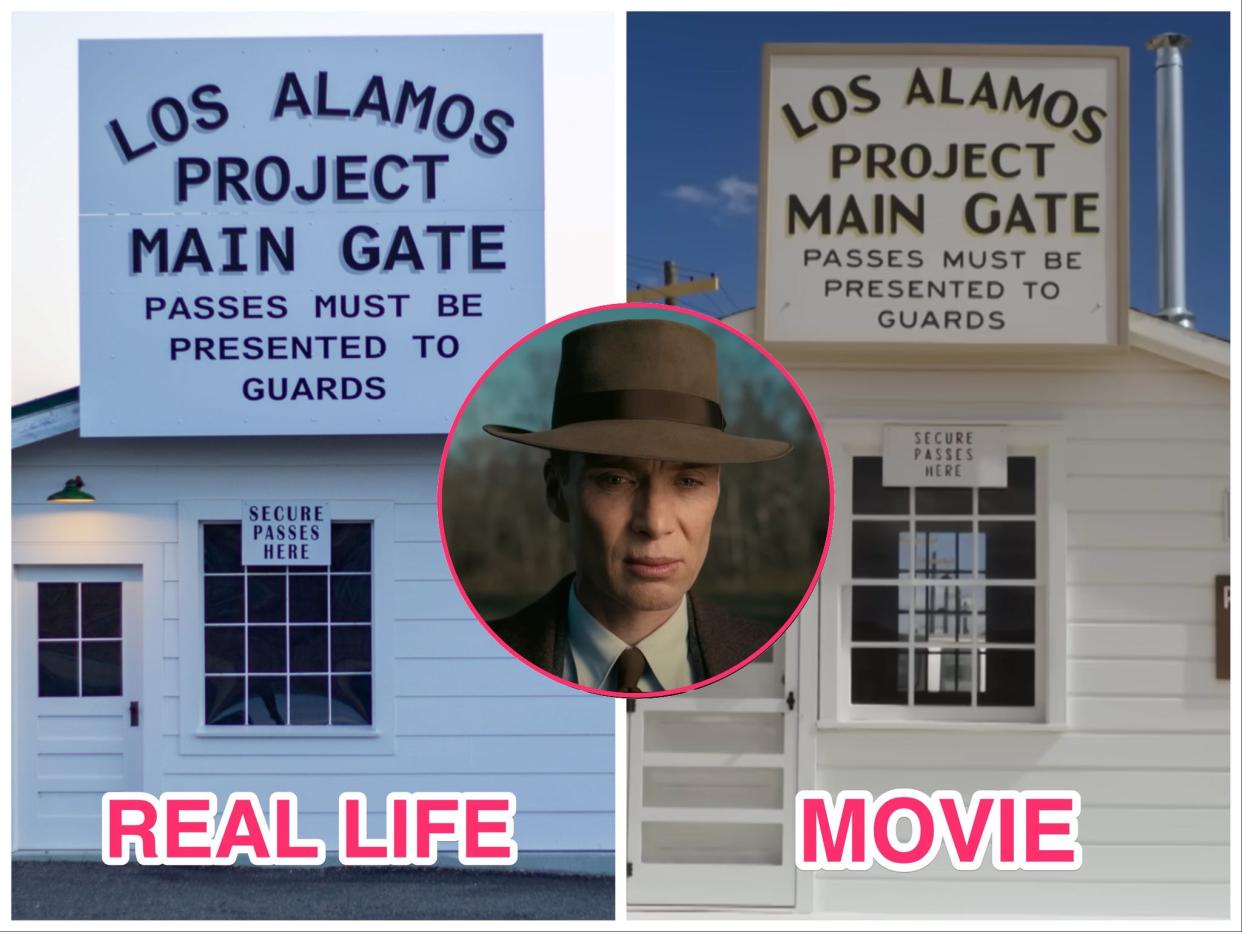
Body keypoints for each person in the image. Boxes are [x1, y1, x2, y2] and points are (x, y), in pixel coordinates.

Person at [481, 316, 792, 693]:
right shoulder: (475, 664)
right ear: (556, 490)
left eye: (688, 481)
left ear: (717, 493)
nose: (655, 522)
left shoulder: (782, 663)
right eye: (616, 480)